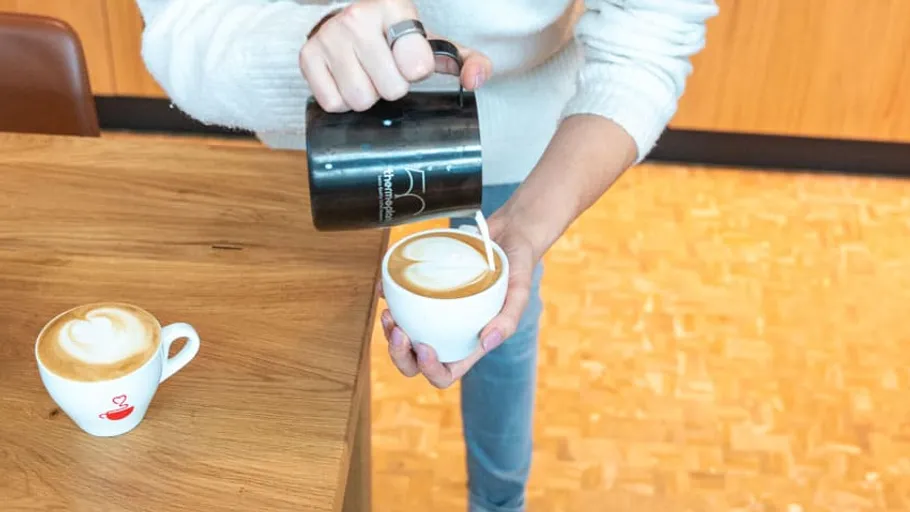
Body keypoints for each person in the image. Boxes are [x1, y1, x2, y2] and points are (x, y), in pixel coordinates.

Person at [135, 0, 718, 510]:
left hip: (520, 140)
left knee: (502, 332)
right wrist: (308, 47)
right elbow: (183, 21)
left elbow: (648, 35)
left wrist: (531, 223)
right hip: (312, 144)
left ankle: (498, 501)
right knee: (305, 353)